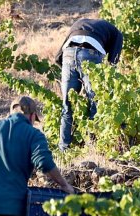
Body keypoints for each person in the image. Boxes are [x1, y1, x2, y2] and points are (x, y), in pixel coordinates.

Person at [55, 18, 123, 151]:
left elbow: (58, 57)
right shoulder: (117, 34)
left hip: (68, 53)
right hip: (91, 53)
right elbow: (112, 64)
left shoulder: (79, 22)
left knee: (67, 105)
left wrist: (72, 74)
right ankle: (92, 147)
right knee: (95, 104)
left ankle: (63, 148)